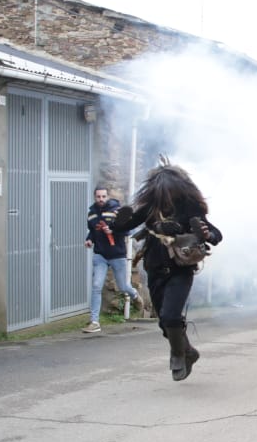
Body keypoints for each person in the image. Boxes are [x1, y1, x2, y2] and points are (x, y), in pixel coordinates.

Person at [112, 160, 222, 381]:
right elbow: (128, 224)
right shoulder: (151, 206)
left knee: (171, 316)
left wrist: (203, 234)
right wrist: (119, 223)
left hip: (180, 270)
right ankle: (188, 352)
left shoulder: (190, 207)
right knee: (164, 321)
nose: (167, 198)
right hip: (154, 268)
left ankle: (178, 356)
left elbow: (215, 235)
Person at [83, 185, 143, 333]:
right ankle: (94, 322)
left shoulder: (117, 211)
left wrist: (113, 231)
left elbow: (128, 231)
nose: (101, 199)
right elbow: (92, 231)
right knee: (97, 286)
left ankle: (134, 295)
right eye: (98, 197)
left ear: (108, 196)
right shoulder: (91, 213)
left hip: (118, 255)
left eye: (103, 196)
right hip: (100, 255)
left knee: (123, 287)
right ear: (94, 197)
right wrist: (89, 240)